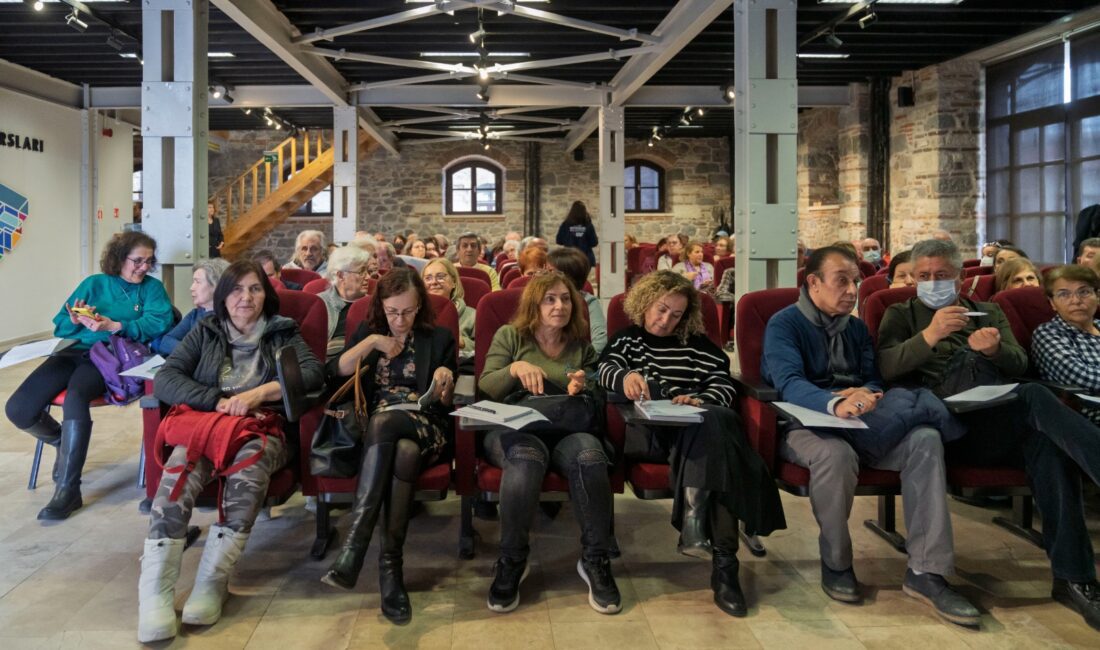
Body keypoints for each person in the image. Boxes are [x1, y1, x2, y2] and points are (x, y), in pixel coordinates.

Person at [877, 238, 1100, 631]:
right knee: (1035, 397)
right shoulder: (900, 313)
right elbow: (885, 369)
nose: (932, 282)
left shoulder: (988, 310)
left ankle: (1074, 579)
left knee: (1048, 444)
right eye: (924, 276)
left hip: (994, 419)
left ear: (960, 279)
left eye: (941, 275)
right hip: (942, 428)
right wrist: (928, 336)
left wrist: (996, 352)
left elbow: (1019, 362)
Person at [760, 246, 978, 625]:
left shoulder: (856, 328)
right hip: (806, 423)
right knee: (836, 455)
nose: (852, 290)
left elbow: (874, 377)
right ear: (813, 283)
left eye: (856, 281)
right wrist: (833, 403)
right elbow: (789, 383)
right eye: (841, 281)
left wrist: (870, 394)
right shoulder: (785, 324)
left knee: (925, 438)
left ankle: (927, 571)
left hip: (862, 420)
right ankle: (836, 561)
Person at [137, 260, 323, 643]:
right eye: (237, 289)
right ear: (223, 297)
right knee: (178, 476)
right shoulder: (205, 331)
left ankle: (211, 582)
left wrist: (261, 392)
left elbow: (313, 373)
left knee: (248, 474)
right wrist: (217, 400)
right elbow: (167, 379)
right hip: (207, 423)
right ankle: (154, 593)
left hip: (262, 427)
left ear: (265, 295)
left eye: (254, 289)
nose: (246, 298)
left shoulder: (282, 332)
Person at [598, 270, 785, 617]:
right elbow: (605, 369)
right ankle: (723, 567)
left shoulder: (697, 345)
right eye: (661, 309)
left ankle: (705, 539)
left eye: (676, 314)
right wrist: (626, 377)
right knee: (720, 439)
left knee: (713, 424)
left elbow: (723, 383)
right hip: (653, 433)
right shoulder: (628, 340)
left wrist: (702, 401)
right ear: (645, 303)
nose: (666, 320)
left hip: (699, 427)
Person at [320, 268, 457, 627]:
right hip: (382, 430)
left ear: (419, 307)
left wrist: (445, 380)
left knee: (388, 424)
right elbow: (335, 370)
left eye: (408, 312)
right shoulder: (370, 332)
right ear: (382, 307)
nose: (400, 320)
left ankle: (355, 546)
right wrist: (372, 344)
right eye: (393, 312)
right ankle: (390, 570)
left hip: (427, 422)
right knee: (404, 452)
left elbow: (446, 400)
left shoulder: (438, 336)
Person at [5, 231, 174, 520]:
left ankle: (69, 490)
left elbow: (161, 321)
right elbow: (60, 324)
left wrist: (114, 325)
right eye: (137, 261)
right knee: (18, 409)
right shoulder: (94, 284)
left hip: (109, 357)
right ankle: (62, 442)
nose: (144, 267)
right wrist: (73, 320)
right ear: (119, 259)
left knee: (75, 397)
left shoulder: (152, 289)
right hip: (72, 351)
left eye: (148, 261)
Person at [479, 272, 620, 614]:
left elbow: (600, 391)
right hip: (516, 426)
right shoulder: (511, 336)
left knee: (590, 456)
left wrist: (584, 384)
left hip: (567, 427)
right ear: (534, 304)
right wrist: (515, 368)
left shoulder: (580, 344)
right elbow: (486, 386)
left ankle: (595, 560)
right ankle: (512, 560)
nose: (560, 306)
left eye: (566, 299)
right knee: (525, 459)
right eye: (550, 299)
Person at [1032, 265, 1100, 425]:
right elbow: (1081, 377)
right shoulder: (1048, 333)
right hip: (1088, 417)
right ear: (1052, 303)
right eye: (1064, 294)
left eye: (1084, 292)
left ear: (1097, 296)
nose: (1076, 301)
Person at [152, 258, 230, 356]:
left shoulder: (231, 317)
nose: (191, 288)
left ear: (217, 286)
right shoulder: (195, 314)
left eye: (198, 282)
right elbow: (166, 343)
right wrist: (193, 352)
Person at [548, 246, 607, 354]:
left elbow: (599, 345)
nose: (544, 276)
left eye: (550, 271)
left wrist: (578, 363)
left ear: (566, 277)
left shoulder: (588, 302)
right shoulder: (538, 299)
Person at [318, 246, 372, 359]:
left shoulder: (374, 304)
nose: (368, 277)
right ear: (341, 275)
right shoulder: (319, 304)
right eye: (362, 271)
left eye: (367, 271)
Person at [422, 258, 475, 361]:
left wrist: (462, 342)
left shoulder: (473, 315)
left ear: (454, 282)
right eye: (428, 278)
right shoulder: (413, 313)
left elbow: (486, 349)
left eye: (440, 277)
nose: (434, 282)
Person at [556, 200, 599, 266]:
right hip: (585, 259)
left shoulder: (565, 225)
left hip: (569, 258)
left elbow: (559, 240)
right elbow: (594, 243)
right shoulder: (588, 225)